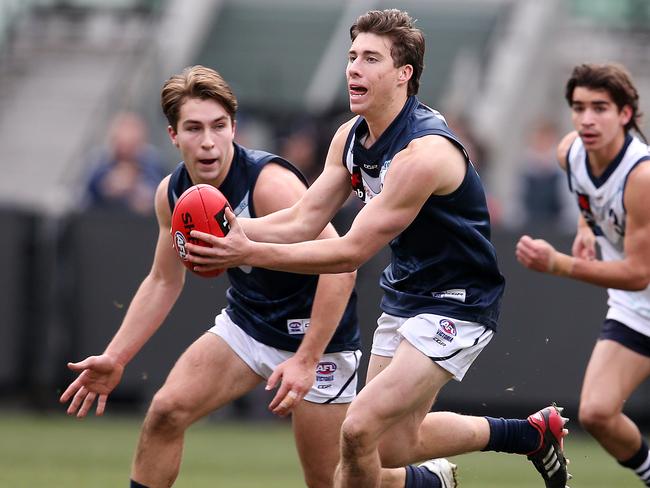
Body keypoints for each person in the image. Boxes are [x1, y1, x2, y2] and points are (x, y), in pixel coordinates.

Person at [185, 9, 569, 488]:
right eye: (351, 57)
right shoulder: (350, 136)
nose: (353, 68)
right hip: (405, 296)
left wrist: (245, 252)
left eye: (370, 58)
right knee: (392, 447)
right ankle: (528, 435)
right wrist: (238, 231)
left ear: (403, 74)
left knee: (358, 429)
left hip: (457, 303)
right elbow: (306, 218)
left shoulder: (423, 155)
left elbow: (348, 253)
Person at [60, 65, 362, 488]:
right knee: (166, 412)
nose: (208, 142)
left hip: (318, 339)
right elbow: (164, 280)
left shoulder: (269, 185)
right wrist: (116, 357)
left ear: (234, 128)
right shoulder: (172, 192)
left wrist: (307, 359)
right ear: (172, 135)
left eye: (219, 126)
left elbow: (342, 267)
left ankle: (422, 480)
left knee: (330, 481)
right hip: (248, 325)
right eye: (194, 128)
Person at [516, 63, 650, 487]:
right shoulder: (570, 151)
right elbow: (587, 192)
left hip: (636, 288)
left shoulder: (641, 176)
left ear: (625, 114)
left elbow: (637, 273)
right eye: (578, 108)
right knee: (596, 412)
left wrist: (558, 263)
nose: (587, 119)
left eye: (600, 108)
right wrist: (585, 225)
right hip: (638, 309)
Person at [85, 112, 165, 216]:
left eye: (131, 143)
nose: (126, 150)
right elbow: (86, 194)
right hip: (102, 222)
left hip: (140, 225)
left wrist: (134, 188)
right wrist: (107, 186)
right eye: (122, 144)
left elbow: (159, 193)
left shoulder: (152, 162)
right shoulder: (99, 161)